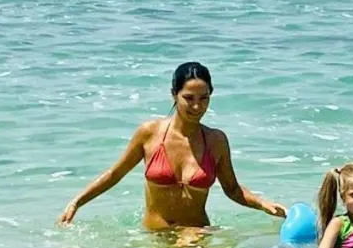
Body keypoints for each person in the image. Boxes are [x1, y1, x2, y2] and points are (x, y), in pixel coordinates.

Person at [57, 62, 286, 231]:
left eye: (204, 98)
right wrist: (77, 202)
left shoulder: (216, 141)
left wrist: (262, 203)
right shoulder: (149, 134)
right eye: (189, 98)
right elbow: (115, 174)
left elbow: (232, 189)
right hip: (153, 237)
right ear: (174, 95)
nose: (197, 106)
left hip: (195, 236)